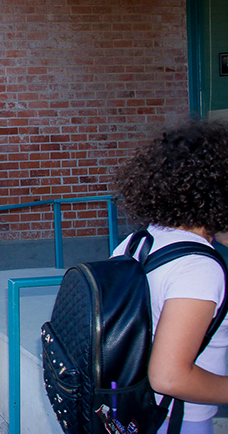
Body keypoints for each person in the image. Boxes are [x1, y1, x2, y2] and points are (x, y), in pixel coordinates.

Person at [112, 120, 228, 434]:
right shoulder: (198, 268)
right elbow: (170, 377)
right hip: (176, 419)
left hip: (132, 409)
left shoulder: (139, 242)